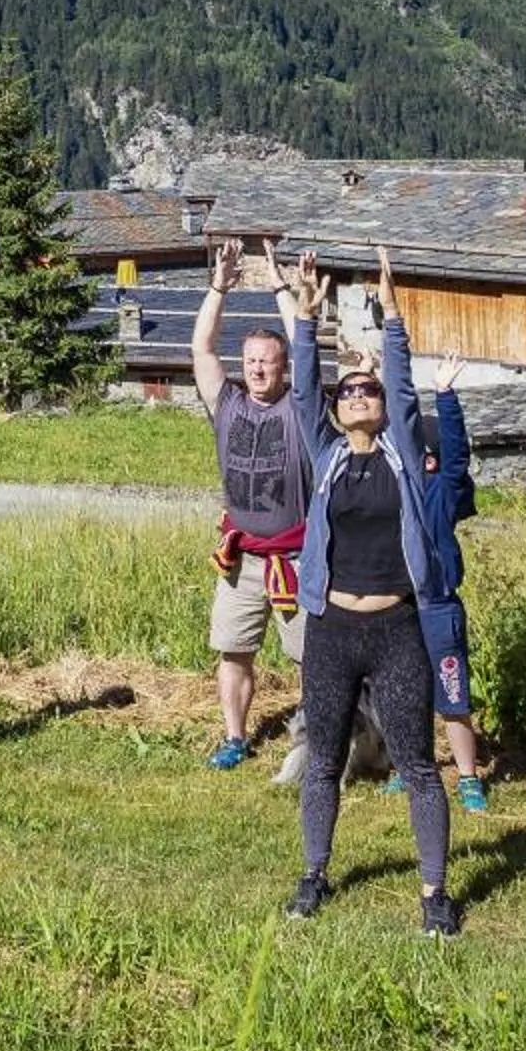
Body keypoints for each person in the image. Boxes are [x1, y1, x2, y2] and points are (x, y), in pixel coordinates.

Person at [279, 253, 460, 938]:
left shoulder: (402, 456)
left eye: (367, 391)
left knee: (417, 761)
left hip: (395, 631)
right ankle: (314, 874)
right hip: (332, 630)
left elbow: (407, 389)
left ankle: (435, 892)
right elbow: (301, 395)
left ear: (382, 409)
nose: (357, 395)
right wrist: (305, 318)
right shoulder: (325, 458)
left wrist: (392, 319)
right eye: (348, 391)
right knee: (324, 759)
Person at [188, 239, 311, 768]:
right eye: (253, 361)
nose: (259, 369)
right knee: (233, 650)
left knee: (313, 659)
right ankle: (236, 737)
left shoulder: (300, 409)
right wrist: (220, 287)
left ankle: (316, 741)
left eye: (270, 361)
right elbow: (201, 350)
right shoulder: (228, 402)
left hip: (300, 560)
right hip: (243, 560)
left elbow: (306, 345)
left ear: (284, 367)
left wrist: (282, 286)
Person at [399, 300, 488, 812]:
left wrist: (446, 396)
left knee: (452, 693)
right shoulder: (401, 488)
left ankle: (469, 776)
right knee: (406, 694)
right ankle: (412, 767)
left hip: (438, 606)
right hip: (400, 605)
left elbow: (456, 454)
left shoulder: (443, 490)